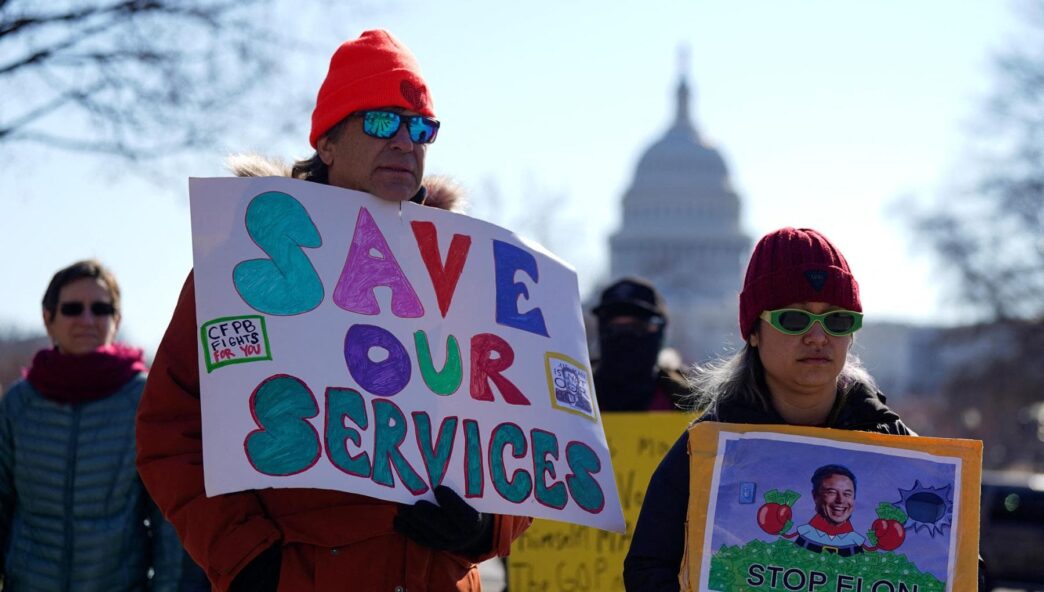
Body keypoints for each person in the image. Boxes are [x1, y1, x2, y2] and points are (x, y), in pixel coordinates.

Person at [135, 30, 531, 592]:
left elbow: (531, 437)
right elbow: (170, 432)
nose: (403, 141)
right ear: (326, 143)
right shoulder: (244, 269)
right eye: (378, 122)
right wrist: (246, 560)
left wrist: (487, 527)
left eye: (420, 128)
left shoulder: (470, 273)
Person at [623, 227, 914, 591]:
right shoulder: (706, 450)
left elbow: (960, 567)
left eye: (838, 320)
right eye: (794, 319)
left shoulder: (896, 444)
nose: (818, 337)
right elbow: (649, 568)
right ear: (754, 332)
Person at [0, 259, 205, 591]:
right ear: (48, 318)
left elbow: (169, 519)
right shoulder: (18, 404)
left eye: (100, 308)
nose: (87, 319)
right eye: (72, 308)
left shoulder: (146, 399)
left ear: (117, 320)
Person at [592, 277, 689, 411]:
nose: (625, 335)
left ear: (661, 331)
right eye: (613, 327)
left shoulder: (693, 403)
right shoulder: (568, 394)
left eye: (638, 326)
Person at [793, 464, 865, 556]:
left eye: (847, 494)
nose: (840, 500)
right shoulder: (806, 536)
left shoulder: (854, 542)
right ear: (815, 496)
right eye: (832, 492)